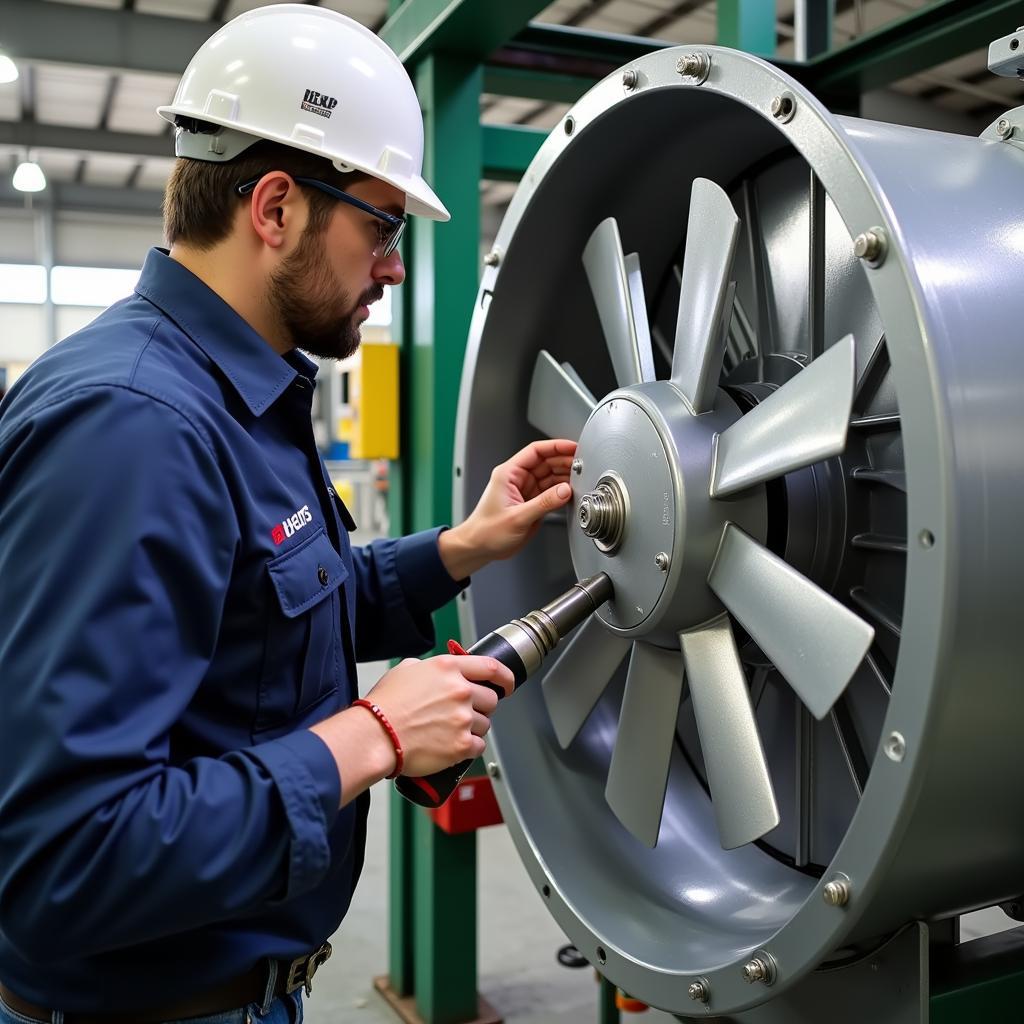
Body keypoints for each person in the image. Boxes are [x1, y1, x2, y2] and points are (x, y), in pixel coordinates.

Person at [0, 6, 574, 1023]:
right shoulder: (134, 427)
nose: (392, 269)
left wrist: (459, 548)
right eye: (382, 228)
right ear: (274, 208)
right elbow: (64, 857)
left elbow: (262, 620)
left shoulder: (242, 395)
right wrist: (371, 735)